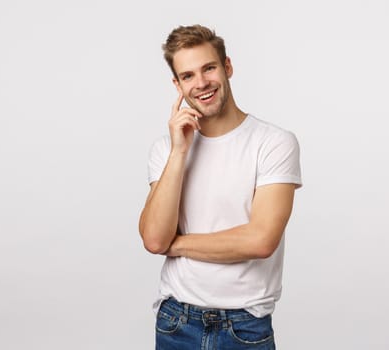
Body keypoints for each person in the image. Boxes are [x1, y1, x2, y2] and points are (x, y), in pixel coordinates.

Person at [139, 24, 302, 349]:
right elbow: (156, 239)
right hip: (176, 323)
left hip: (244, 327)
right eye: (188, 76)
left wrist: (179, 244)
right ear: (177, 85)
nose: (201, 83)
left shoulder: (273, 143)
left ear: (227, 67)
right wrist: (180, 151)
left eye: (208, 68)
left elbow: (260, 240)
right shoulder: (166, 150)